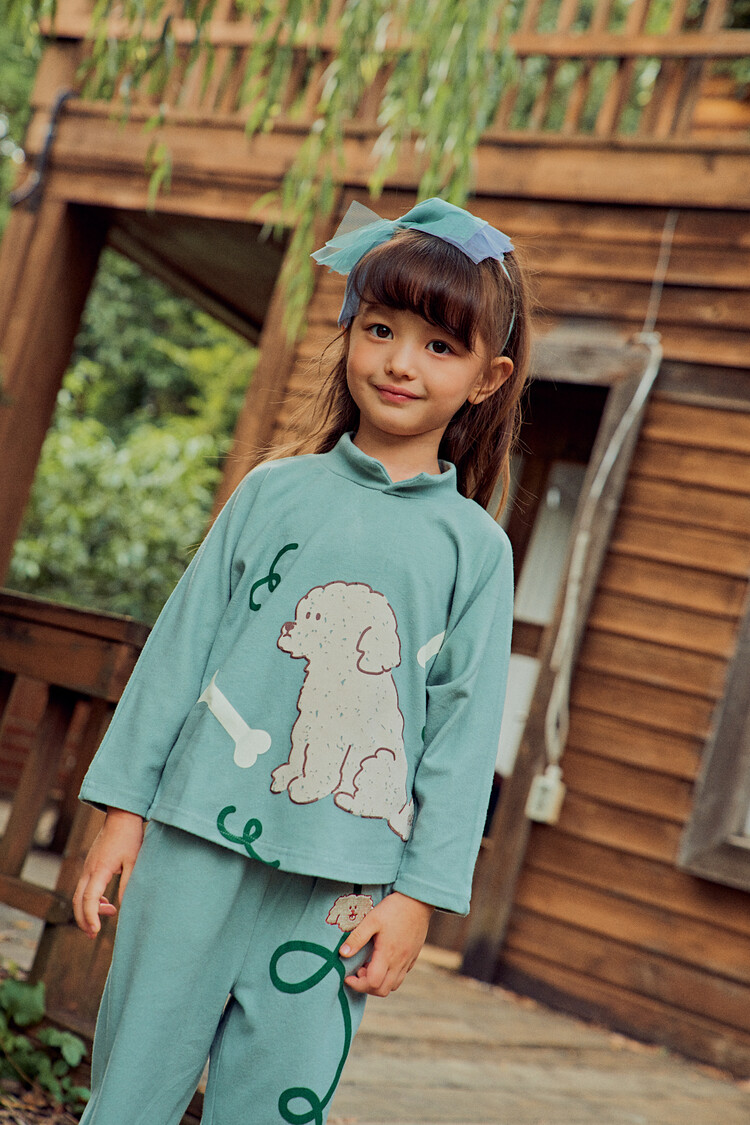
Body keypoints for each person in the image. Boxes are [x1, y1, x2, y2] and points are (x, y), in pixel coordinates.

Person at [72, 196, 531, 1125]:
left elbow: (462, 733)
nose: (401, 362)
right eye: (381, 329)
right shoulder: (270, 492)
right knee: (128, 1092)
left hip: (341, 886)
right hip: (193, 843)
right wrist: (122, 813)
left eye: (440, 346)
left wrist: (419, 897)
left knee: (275, 1108)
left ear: (488, 378)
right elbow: (179, 653)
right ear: (349, 333)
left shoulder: (475, 550)